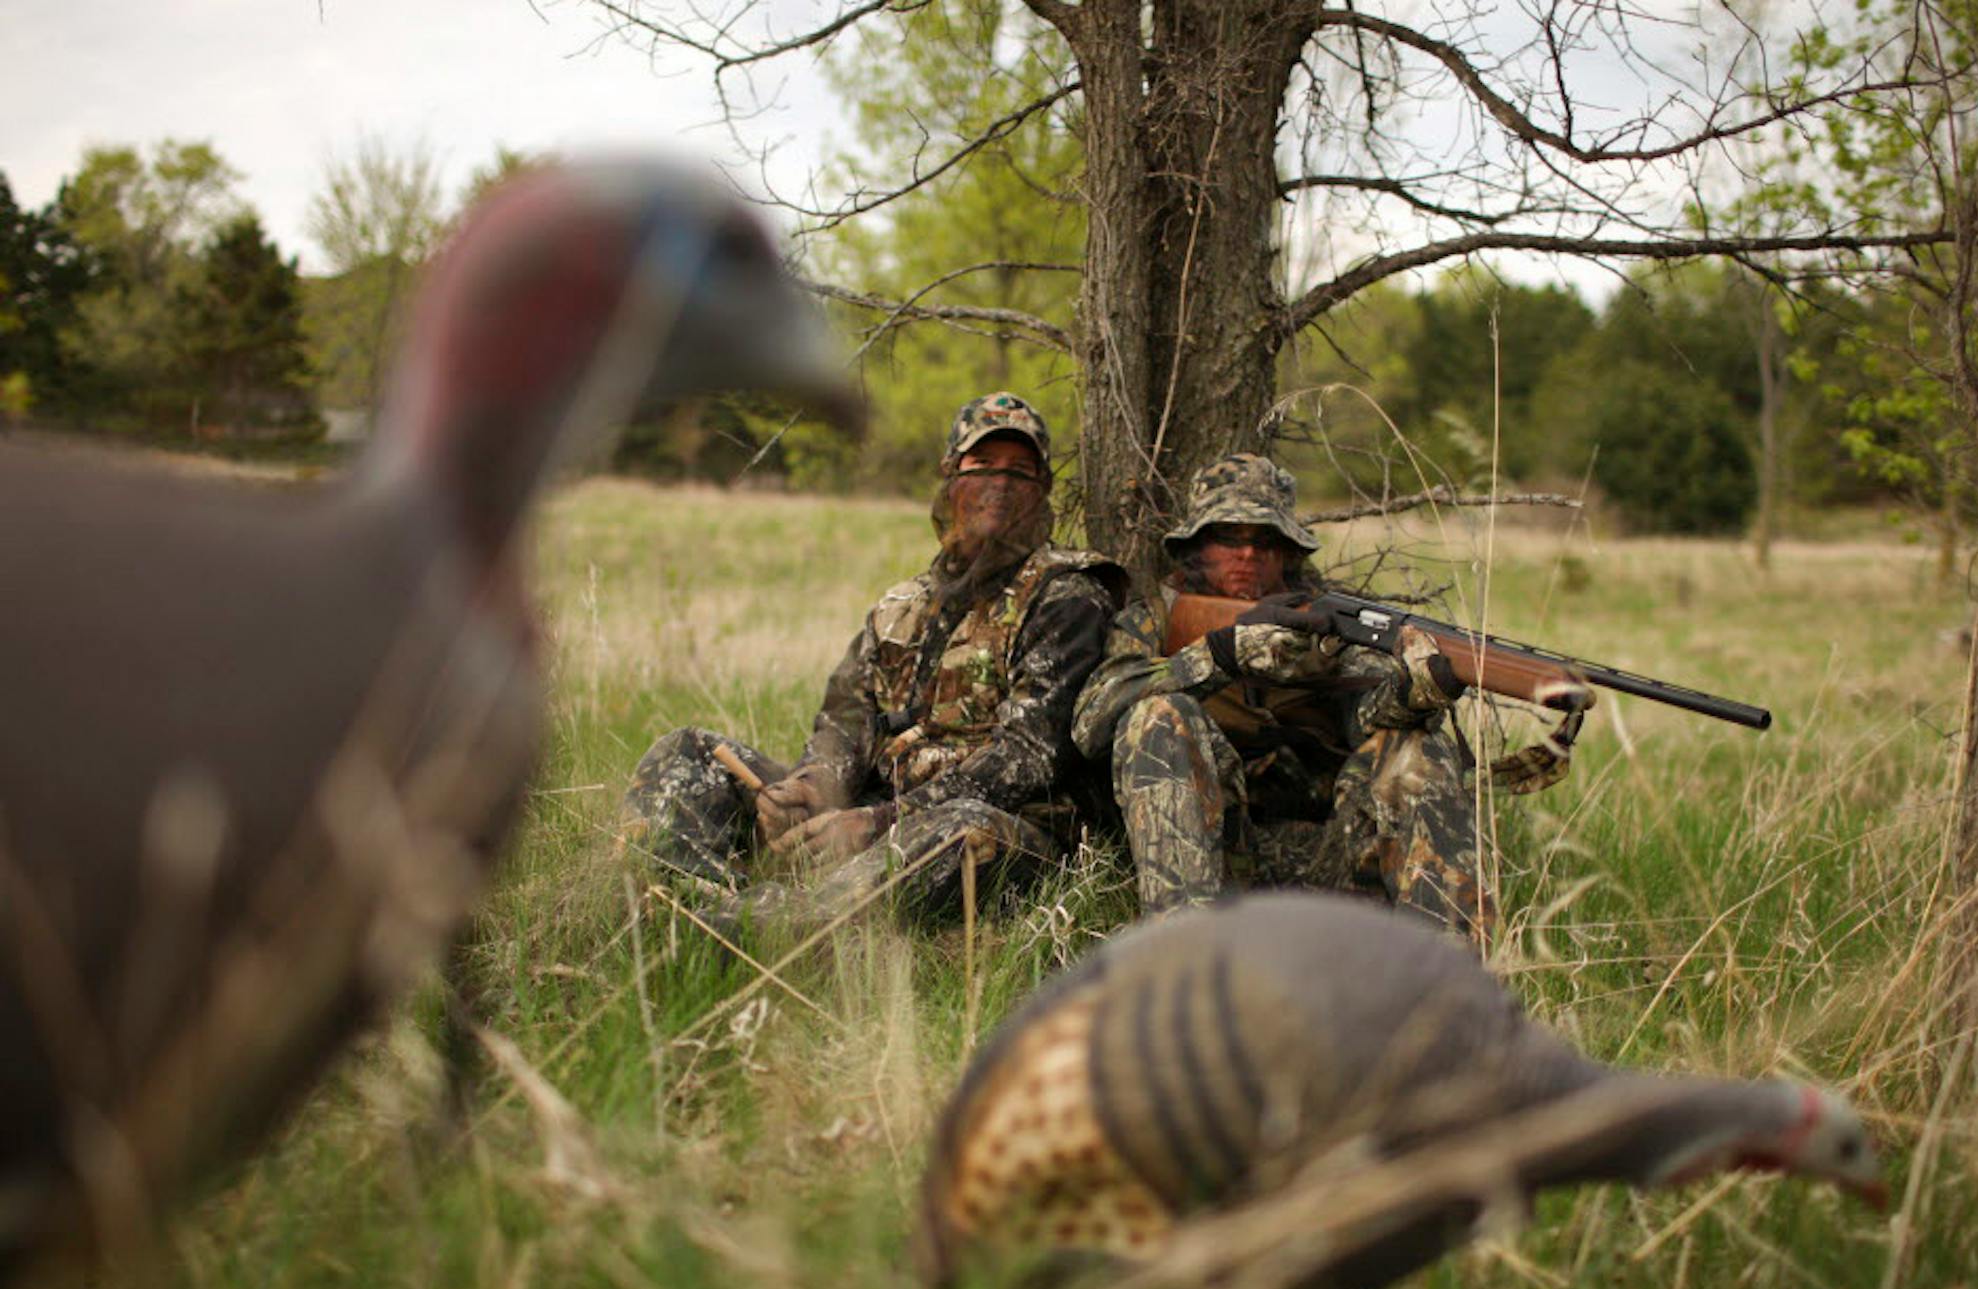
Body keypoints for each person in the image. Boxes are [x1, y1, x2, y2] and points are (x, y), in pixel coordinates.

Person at [624, 393, 1125, 933]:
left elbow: (1027, 760)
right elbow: (845, 718)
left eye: (1020, 471)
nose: (1000, 484)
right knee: (690, 752)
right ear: (951, 478)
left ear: (1043, 489)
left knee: (960, 827)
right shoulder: (901, 606)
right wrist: (813, 789)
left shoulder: (1069, 596)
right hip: (872, 812)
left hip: (1001, 831)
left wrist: (879, 823)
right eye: (982, 466)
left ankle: (776, 930)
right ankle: (686, 899)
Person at [1071, 453, 1572, 946]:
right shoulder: (1155, 621)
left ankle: (1452, 976)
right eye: (1229, 538)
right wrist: (1218, 655)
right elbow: (1093, 720)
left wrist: (1415, 692)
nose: (1248, 555)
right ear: (1195, 549)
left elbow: (1371, 718)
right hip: (1211, 862)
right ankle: (1183, 962)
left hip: (1328, 856)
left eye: (1266, 541)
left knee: (1416, 747)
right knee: (1158, 716)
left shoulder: (1332, 622)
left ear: (1289, 552)